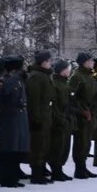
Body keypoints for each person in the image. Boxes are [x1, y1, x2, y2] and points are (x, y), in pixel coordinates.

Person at [0, 56, 31, 188]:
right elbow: (4, 99)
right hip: (11, 117)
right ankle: (7, 177)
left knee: (16, 147)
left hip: (18, 117)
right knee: (10, 147)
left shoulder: (18, 80)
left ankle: (11, 176)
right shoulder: (10, 80)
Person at [26, 50, 55, 184]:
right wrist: (36, 119)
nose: (51, 63)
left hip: (45, 115)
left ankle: (41, 168)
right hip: (39, 117)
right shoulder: (36, 77)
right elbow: (34, 100)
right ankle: (36, 173)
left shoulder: (44, 75)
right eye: (49, 61)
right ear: (43, 62)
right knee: (38, 145)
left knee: (45, 144)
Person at [69, 52, 97, 179]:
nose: (92, 62)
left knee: (87, 142)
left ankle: (83, 166)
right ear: (84, 62)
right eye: (90, 60)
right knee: (81, 141)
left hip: (90, 112)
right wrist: (82, 111)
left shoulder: (90, 76)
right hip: (80, 114)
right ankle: (79, 168)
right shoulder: (77, 76)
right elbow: (72, 97)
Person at [49, 59, 74, 182]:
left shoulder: (65, 84)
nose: (68, 71)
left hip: (66, 119)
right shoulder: (55, 84)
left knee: (64, 146)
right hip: (58, 120)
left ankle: (59, 169)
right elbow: (54, 104)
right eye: (66, 69)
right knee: (57, 147)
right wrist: (59, 118)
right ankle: (56, 171)